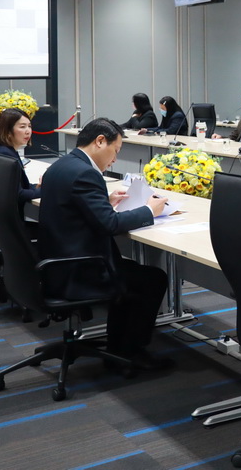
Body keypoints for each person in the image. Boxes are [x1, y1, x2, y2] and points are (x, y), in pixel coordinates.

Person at [37, 118, 170, 370]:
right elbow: (109, 224)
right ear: (100, 141)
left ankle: (118, 346)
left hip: (56, 262)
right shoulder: (86, 173)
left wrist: (104, 202)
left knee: (133, 273)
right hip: (78, 270)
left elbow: (72, 208)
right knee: (153, 279)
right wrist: (149, 211)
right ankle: (129, 352)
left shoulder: (63, 165)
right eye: (115, 150)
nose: (115, 159)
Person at [0, 107, 42, 207]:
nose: (28, 131)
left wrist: (37, 186)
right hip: (9, 215)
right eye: (22, 127)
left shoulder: (5, 150)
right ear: (8, 131)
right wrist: (44, 191)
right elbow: (18, 194)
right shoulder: (6, 155)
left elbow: (20, 186)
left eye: (29, 126)